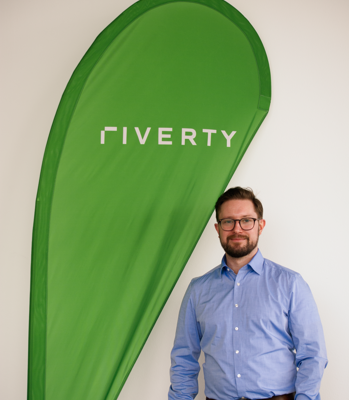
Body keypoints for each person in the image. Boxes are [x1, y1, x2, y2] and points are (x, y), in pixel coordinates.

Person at [168, 187, 327, 400]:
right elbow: (184, 359)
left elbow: (312, 356)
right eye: (228, 221)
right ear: (218, 228)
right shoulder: (198, 290)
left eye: (246, 220)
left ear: (260, 225)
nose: (237, 229)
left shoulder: (291, 284)